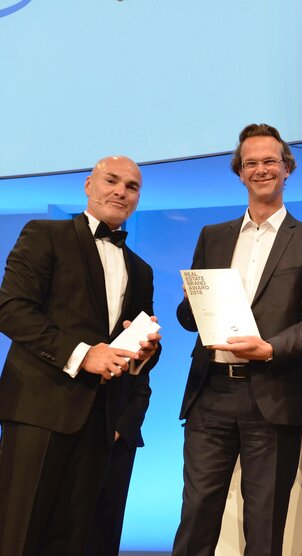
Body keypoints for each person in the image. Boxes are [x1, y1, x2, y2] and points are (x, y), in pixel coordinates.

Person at [173, 123, 302, 556]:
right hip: (211, 392)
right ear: (239, 172)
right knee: (196, 515)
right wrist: (189, 302)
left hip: (274, 393)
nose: (261, 170)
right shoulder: (213, 236)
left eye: (270, 161)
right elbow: (190, 320)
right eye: (251, 163)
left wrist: (270, 349)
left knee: (264, 523)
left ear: (287, 168)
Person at [0, 155, 162, 555]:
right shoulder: (44, 234)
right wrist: (84, 355)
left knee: (75, 541)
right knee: (18, 536)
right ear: (89, 185)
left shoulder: (141, 269)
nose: (121, 192)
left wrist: (145, 350)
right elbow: (11, 309)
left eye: (132, 187)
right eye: (111, 181)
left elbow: (133, 349)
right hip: (40, 411)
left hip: (100, 421)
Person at [86, 371, 151, 556]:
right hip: (69, 429)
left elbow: (141, 389)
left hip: (117, 440)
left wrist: (120, 430)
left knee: (105, 522)